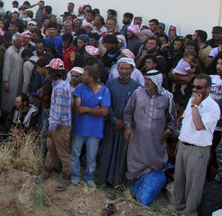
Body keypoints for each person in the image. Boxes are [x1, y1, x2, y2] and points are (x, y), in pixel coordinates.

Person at [170, 74, 220, 216]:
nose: (195, 89)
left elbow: (199, 125)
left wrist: (195, 106)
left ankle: (190, 212)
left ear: (208, 89)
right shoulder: (192, 100)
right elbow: (186, 122)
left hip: (198, 148)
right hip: (185, 144)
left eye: (199, 87)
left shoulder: (212, 107)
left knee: (194, 182)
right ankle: (179, 204)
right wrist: (180, 139)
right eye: (194, 86)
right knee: (180, 177)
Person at [122, 69, 177, 186]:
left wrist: (167, 131)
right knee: (134, 164)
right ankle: (129, 191)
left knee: (154, 165)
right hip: (138, 139)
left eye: (149, 80)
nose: (146, 82)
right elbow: (128, 113)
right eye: (145, 79)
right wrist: (128, 127)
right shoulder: (137, 93)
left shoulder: (167, 97)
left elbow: (172, 120)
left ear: (157, 82)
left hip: (156, 141)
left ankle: (149, 189)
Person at [98, 58, 141, 186]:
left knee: (122, 154)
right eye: (121, 68)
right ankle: (103, 181)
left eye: (127, 69)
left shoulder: (137, 87)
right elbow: (106, 104)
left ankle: (118, 182)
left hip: (126, 128)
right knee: (107, 152)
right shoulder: (110, 84)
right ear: (117, 69)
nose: (124, 71)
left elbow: (136, 108)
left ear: (132, 70)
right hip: (112, 125)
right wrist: (114, 120)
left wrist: (126, 123)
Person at [71, 65, 111, 188]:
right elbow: (78, 108)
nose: (82, 77)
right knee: (75, 153)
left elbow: (104, 112)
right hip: (80, 127)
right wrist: (95, 109)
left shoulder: (105, 90)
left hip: (95, 130)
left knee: (91, 157)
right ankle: (75, 175)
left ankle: (89, 177)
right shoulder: (80, 88)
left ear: (91, 78)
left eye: (84, 75)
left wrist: (87, 108)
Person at [40, 59, 73, 191]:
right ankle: (47, 171)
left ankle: (66, 178)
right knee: (51, 149)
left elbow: (58, 111)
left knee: (62, 152)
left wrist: (51, 128)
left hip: (60, 125)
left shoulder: (59, 88)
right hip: (57, 122)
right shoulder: (61, 84)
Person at [1, 33, 24, 113]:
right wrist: (6, 81)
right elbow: (6, 67)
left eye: (22, 42)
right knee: (9, 100)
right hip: (11, 79)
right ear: (14, 41)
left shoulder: (22, 50)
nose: (22, 44)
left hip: (19, 79)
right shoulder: (9, 52)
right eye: (19, 42)